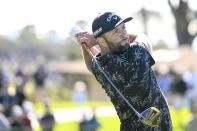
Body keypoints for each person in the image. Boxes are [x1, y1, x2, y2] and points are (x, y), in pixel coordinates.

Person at [75, 12, 172, 130]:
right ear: (101, 41)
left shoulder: (102, 67)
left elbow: (91, 64)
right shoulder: (137, 55)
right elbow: (142, 37)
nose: (124, 34)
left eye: (123, 28)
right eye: (116, 32)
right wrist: (93, 40)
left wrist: (86, 44)